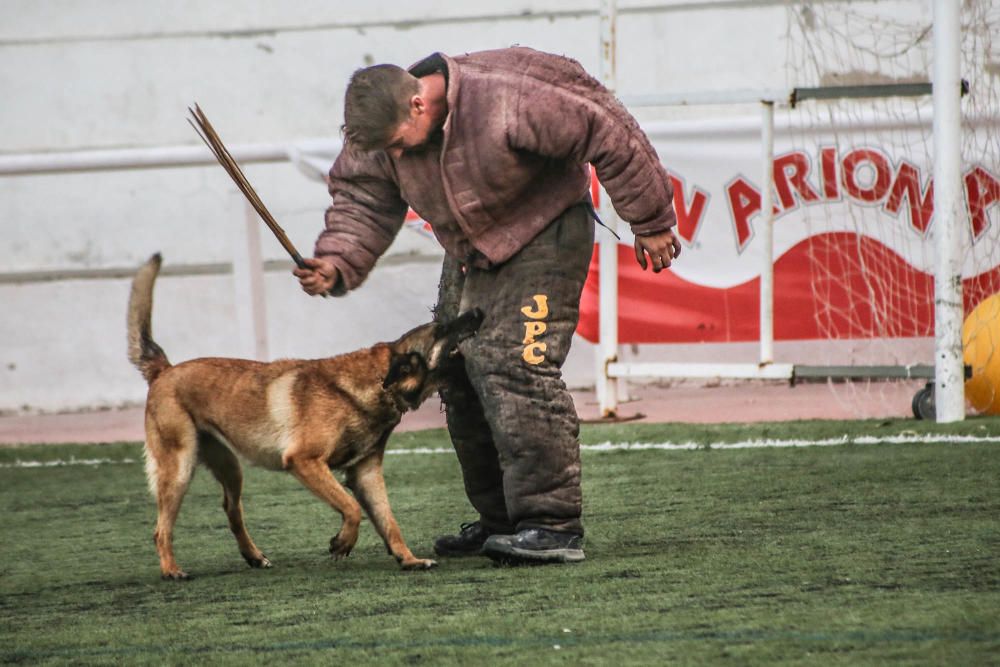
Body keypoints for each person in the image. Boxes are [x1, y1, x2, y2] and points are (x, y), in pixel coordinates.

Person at [294, 47, 680, 565]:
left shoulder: (506, 96)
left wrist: (652, 221)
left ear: (417, 103)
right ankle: (500, 520)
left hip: (547, 227)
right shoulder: (382, 132)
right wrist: (336, 262)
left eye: (399, 146)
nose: (399, 158)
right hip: (471, 247)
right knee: (451, 368)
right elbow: (364, 198)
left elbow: (606, 128)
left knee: (513, 364)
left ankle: (551, 524)